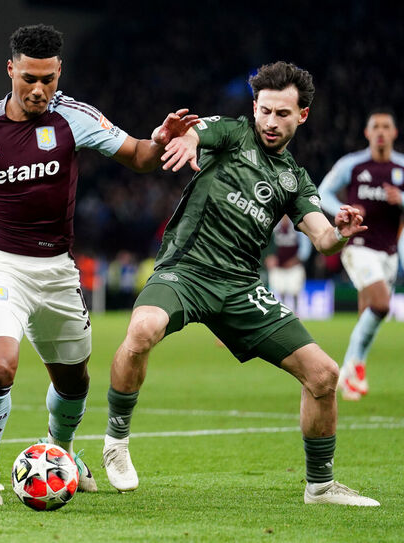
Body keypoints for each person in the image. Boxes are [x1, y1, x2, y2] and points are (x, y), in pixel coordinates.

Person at [0, 24, 200, 506]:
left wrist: (160, 139)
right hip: (2, 266)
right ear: (11, 70)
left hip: (59, 271)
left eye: (47, 78)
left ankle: (61, 453)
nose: (39, 88)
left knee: (74, 381)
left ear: (59, 71)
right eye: (28, 78)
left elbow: (140, 158)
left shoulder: (75, 118)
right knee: (0, 367)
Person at [101, 61, 380, 506]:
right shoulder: (232, 132)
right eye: (265, 111)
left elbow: (323, 238)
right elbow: (197, 133)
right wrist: (184, 138)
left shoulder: (294, 179)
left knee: (325, 375)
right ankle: (116, 443)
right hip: (186, 271)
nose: (271, 122)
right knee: (141, 330)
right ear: (254, 107)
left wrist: (341, 232)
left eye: (282, 114)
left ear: (302, 116)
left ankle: (321, 486)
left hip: (240, 287)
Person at [318, 110, 404, 401]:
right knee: (381, 303)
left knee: (369, 313)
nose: (381, 131)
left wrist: (400, 199)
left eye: (386, 127)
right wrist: (343, 210)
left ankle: (351, 373)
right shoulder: (352, 164)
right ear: (367, 133)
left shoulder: (402, 167)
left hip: (389, 252)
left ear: (394, 133)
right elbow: (323, 193)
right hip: (358, 247)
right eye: (375, 127)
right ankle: (354, 369)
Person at [265, 214, 312, 312]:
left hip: (294, 265)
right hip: (278, 266)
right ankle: (283, 313)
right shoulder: (273, 227)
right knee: (280, 290)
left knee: (295, 290)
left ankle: (296, 312)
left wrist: (297, 259)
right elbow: (266, 244)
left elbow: (305, 247)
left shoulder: (298, 227)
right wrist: (269, 256)